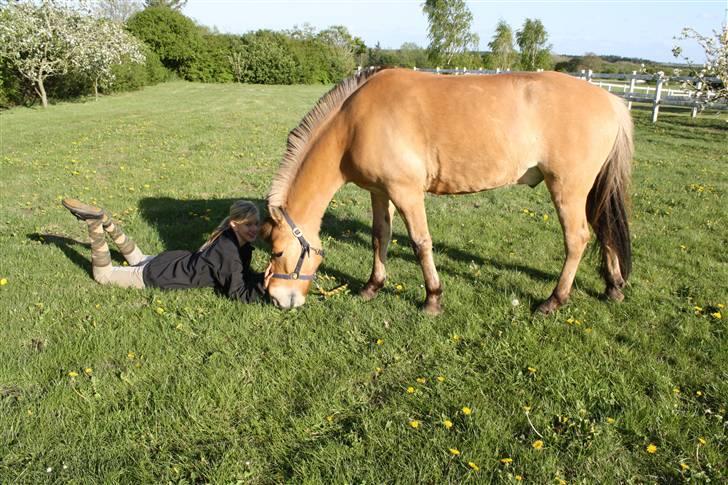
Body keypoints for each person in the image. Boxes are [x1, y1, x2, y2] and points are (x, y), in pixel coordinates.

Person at [62, 198, 270, 303]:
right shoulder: (229, 252)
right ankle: (94, 223)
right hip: (160, 276)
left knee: (139, 257)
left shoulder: (233, 241)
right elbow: (237, 292)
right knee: (104, 276)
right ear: (234, 224)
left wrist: (265, 277)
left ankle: (106, 220)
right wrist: (266, 287)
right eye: (248, 225)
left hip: (171, 262)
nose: (254, 229)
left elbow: (242, 276)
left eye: (256, 223)